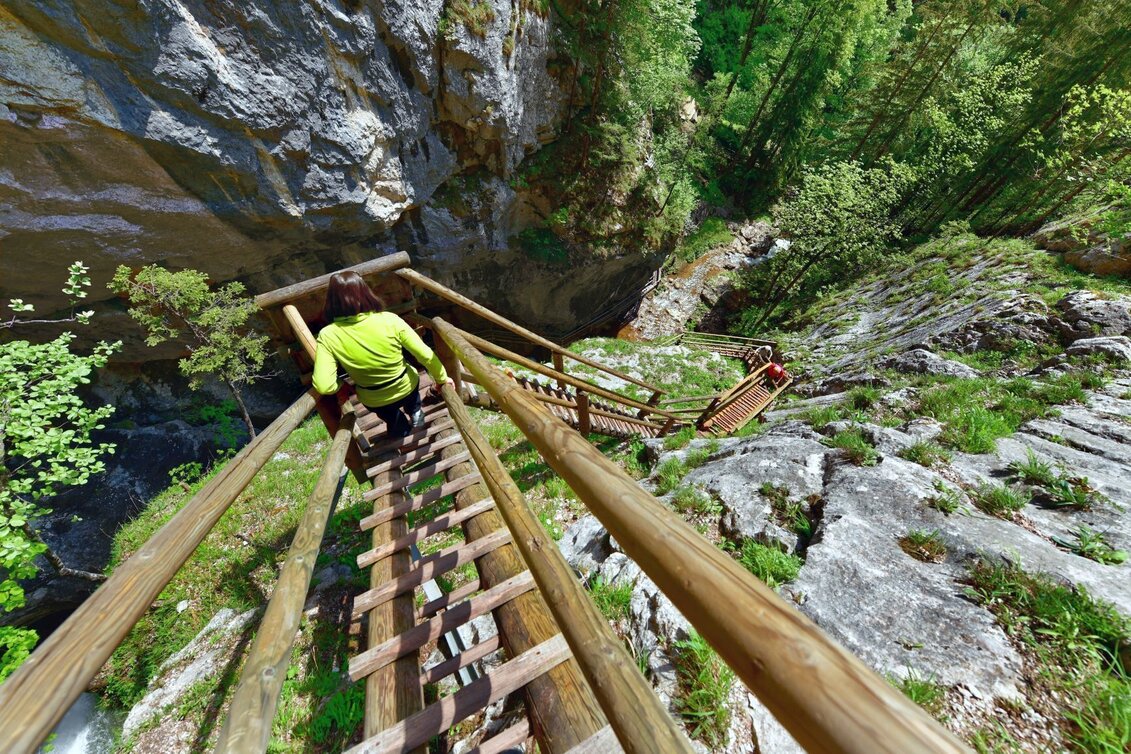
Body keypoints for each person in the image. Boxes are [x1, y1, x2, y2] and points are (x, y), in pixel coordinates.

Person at [313, 270, 448, 436]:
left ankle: (400, 429)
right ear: (365, 293)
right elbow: (425, 355)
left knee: (390, 416)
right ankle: (416, 413)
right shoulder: (389, 319)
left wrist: (343, 386)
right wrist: (442, 379)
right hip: (406, 387)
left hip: (373, 399)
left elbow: (324, 385)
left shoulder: (328, 335)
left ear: (331, 300)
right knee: (412, 398)